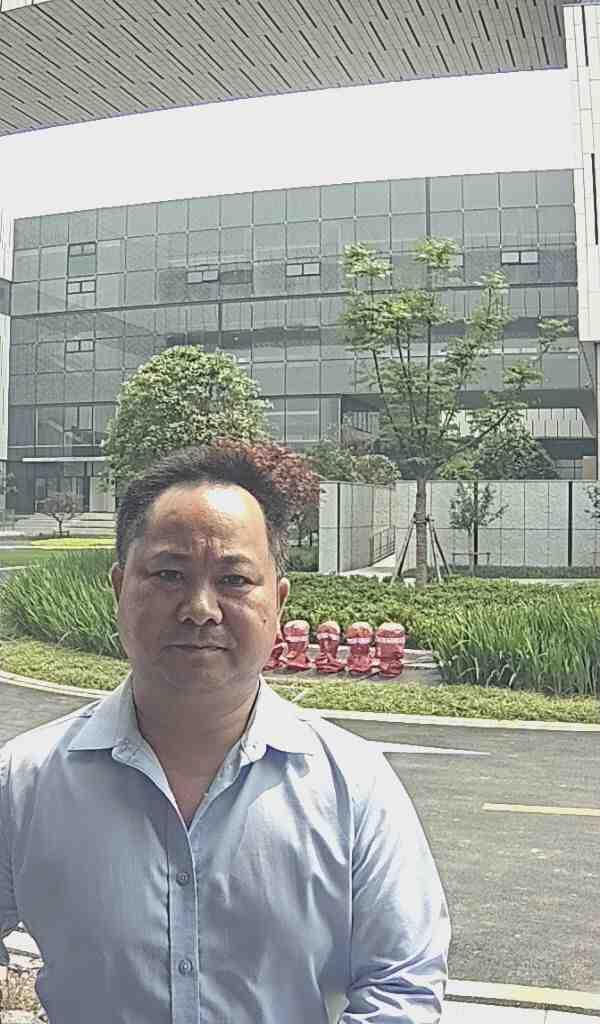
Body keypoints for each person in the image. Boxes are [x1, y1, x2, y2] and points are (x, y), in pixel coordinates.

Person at [0, 443, 451, 1023]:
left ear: (278, 603)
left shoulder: (355, 787)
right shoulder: (25, 781)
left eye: (234, 579)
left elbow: (401, 985)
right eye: (169, 575)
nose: (200, 608)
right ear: (119, 588)